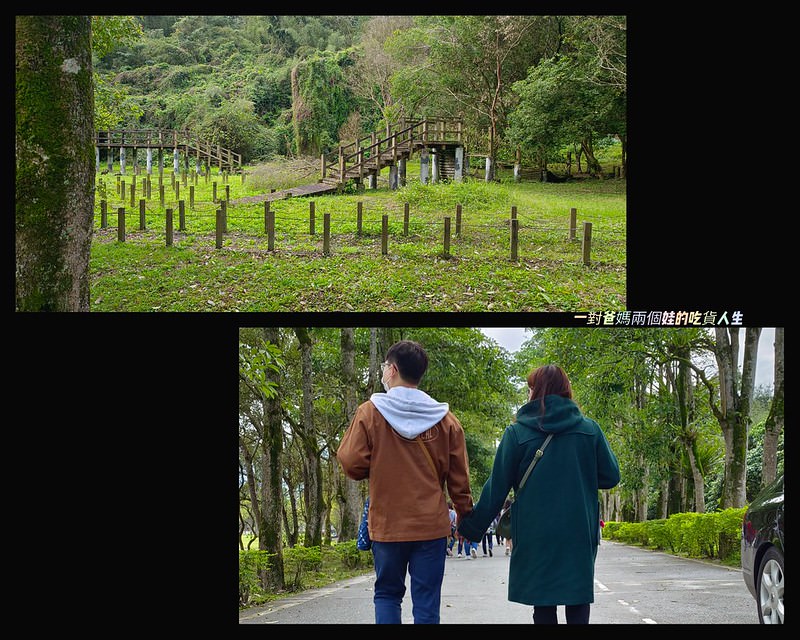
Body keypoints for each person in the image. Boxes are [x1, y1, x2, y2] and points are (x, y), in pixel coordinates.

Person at [457, 364, 620, 625]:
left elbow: (496, 488)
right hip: (577, 530)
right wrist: (580, 473)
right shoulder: (590, 430)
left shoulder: (517, 433)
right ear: (566, 391)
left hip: (535, 531)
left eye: (530, 388)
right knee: (577, 597)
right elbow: (612, 476)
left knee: (543, 601)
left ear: (535, 392)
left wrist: (471, 527)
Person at [338, 340, 473, 624]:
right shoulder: (445, 419)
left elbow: (351, 462)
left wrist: (377, 468)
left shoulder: (370, 412)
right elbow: (459, 481)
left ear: (393, 369)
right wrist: (464, 516)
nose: (384, 372)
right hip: (431, 526)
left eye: (385, 367)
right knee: (426, 602)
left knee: (387, 594)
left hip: (387, 525)